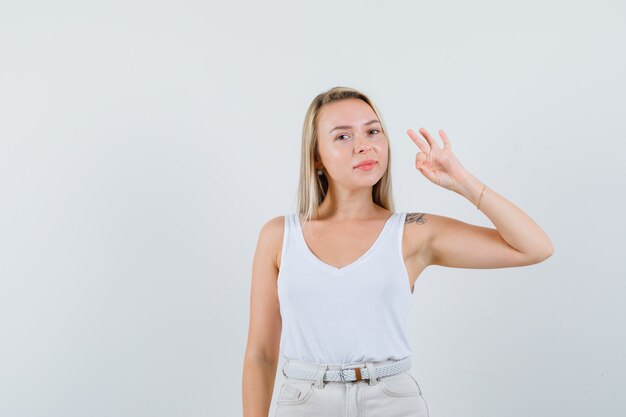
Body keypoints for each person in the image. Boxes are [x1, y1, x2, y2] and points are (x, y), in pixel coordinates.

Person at [242, 86, 554, 417]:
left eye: (372, 131)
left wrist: (462, 181)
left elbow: (534, 247)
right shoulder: (279, 236)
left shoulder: (412, 233)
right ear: (317, 156)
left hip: (391, 401)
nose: (363, 145)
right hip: (304, 402)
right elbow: (261, 353)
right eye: (343, 137)